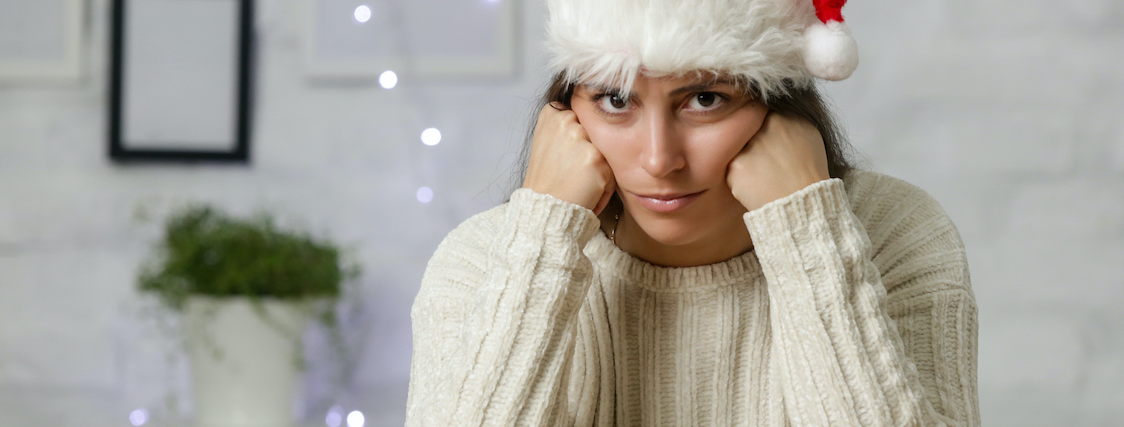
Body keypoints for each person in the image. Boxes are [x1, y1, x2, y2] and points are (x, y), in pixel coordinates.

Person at [406, 0, 979, 424]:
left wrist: (808, 236)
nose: (659, 159)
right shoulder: (486, 261)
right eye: (615, 98)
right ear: (566, 114)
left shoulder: (894, 233)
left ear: (782, 108)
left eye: (705, 99)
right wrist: (543, 238)